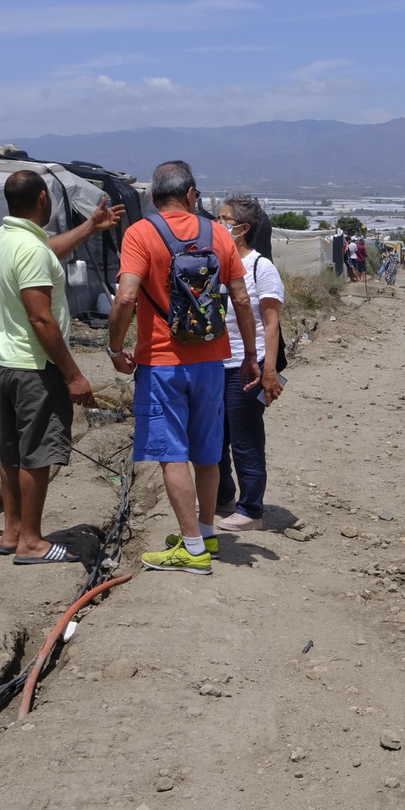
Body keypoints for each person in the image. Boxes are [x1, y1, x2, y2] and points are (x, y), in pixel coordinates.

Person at [108, 160, 258, 575]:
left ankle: (191, 550)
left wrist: (115, 347)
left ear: (154, 197)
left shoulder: (141, 233)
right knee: (207, 455)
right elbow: (242, 299)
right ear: (192, 194)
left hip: (161, 363)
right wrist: (249, 356)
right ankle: (206, 533)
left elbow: (124, 298)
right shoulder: (219, 235)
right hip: (213, 361)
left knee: (171, 455)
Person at [0, 170, 124, 564]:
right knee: (38, 454)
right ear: (44, 198)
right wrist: (73, 374)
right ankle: (32, 542)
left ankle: (12, 532)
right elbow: (41, 319)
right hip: (35, 368)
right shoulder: (30, 249)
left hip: (7, 362)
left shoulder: (5, 238)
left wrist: (90, 227)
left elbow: (48, 249)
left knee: (12, 452)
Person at [214, 194, 285, 532]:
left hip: (247, 365)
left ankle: (251, 510)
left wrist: (269, 370)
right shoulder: (215, 263)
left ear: (242, 228)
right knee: (214, 438)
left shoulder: (261, 267)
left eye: (225, 219)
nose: (218, 224)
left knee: (245, 441)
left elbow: (271, 323)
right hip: (215, 364)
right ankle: (223, 496)